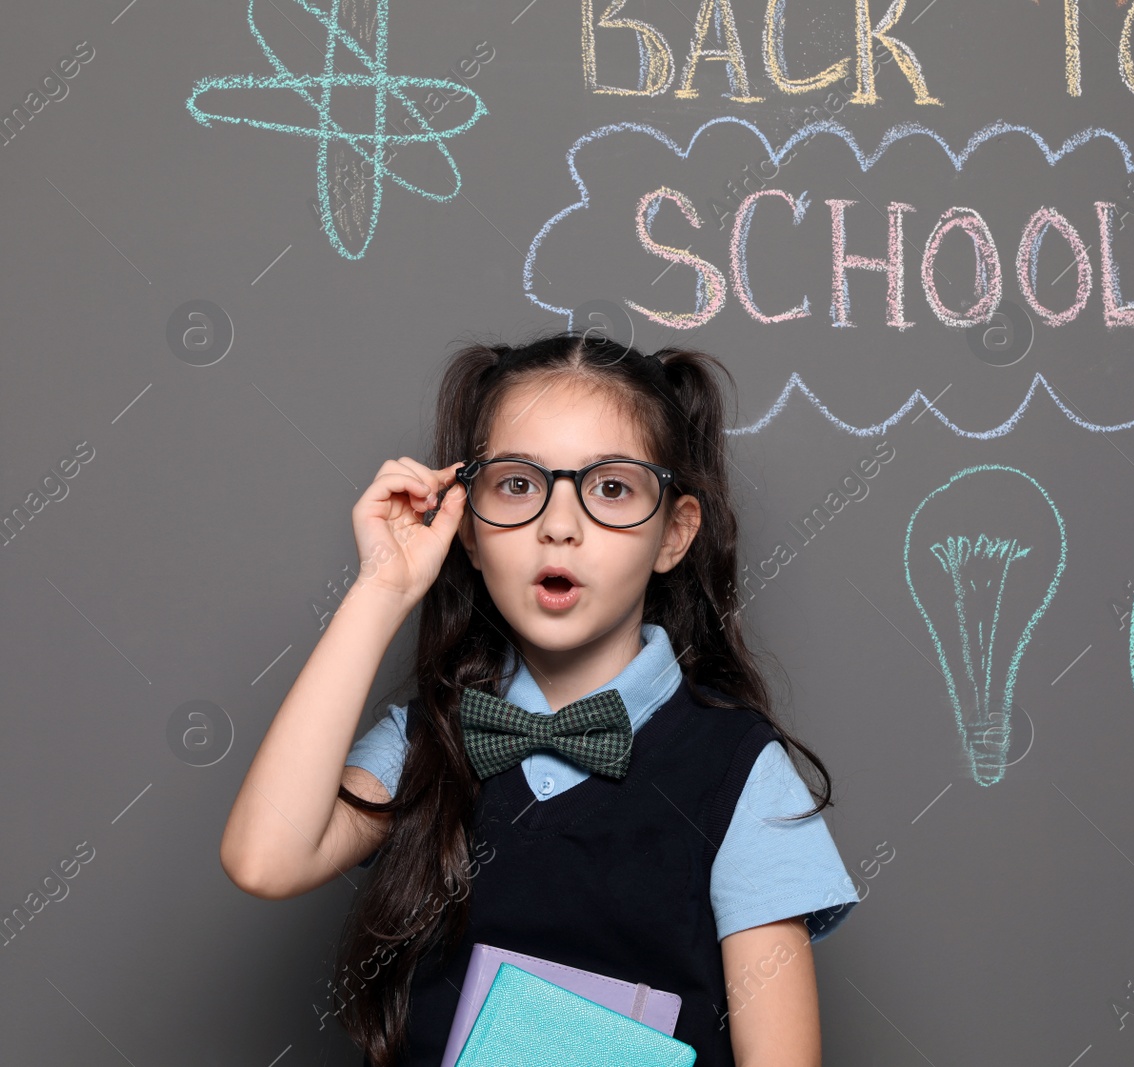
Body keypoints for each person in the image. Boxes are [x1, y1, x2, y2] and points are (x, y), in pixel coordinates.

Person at [218, 330, 859, 1067]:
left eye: (612, 487)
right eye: (518, 484)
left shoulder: (741, 772)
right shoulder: (425, 738)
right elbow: (264, 858)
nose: (559, 524)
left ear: (674, 533)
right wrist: (383, 589)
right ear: (468, 526)